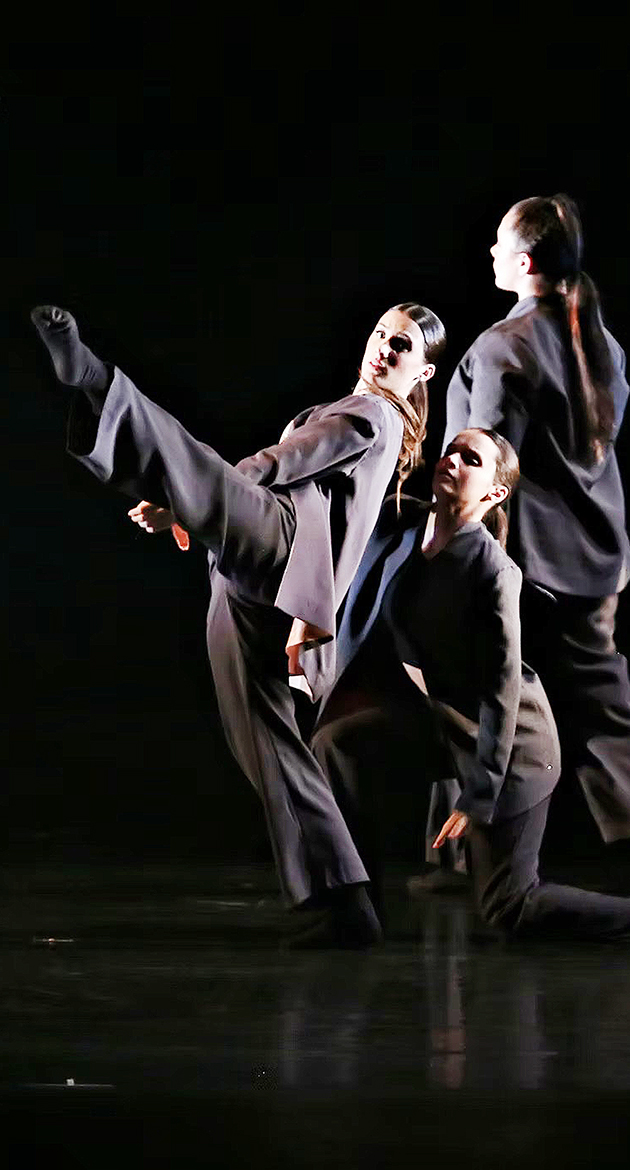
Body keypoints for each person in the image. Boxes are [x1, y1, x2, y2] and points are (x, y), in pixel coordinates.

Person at [31, 300, 445, 947]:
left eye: (402, 349)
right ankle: (344, 902)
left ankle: (95, 384)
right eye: (381, 336)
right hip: (256, 577)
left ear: (421, 375)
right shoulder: (370, 418)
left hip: (279, 545)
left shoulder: (370, 413)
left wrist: (191, 500)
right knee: (265, 742)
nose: (384, 351)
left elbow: (284, 463)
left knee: (202, 470)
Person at [310, 429, 630, 945]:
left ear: (494, 493)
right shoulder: (405, 528)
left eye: (469, 459)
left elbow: (503, 692)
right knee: (336, 744)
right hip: (448, 725)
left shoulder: (493, 570)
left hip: (514, 746)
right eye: (450, 449)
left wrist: (479, 794)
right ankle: (355, 907)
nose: (451, 460)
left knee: (509, 907)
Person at [438, 193, 630, 897]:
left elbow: (487, 463)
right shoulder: (600, 342)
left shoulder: (505, 347)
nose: (490, 254)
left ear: (524, 263)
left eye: (500, 245)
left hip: (530, 565)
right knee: (591, 708)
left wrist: (459, 553)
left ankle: (474, 857)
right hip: (596, 561)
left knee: (487, 700)